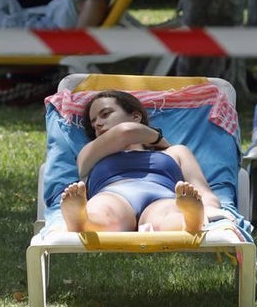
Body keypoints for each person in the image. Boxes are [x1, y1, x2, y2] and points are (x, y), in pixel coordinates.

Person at [60, 90, 223, 235]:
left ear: (136, 117)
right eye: (93, 122)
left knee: (168, 215)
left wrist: (209, 209)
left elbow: (203, 190)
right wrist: (159, 139)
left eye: (105, 114)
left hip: (163, 196)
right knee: (103, 210)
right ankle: (81, 221)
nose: (98, 124)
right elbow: (126, 131)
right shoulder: (89, 153)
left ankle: (191, 221)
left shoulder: (176, 152)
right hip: (113, 194)